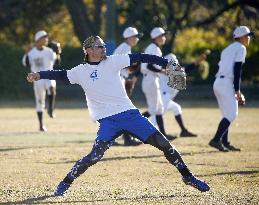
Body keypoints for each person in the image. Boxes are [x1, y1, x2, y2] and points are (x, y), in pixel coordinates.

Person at [26, 35, 210, 196]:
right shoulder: (80, 71)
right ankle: (65, 182)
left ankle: (188, 177)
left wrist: (165, 62)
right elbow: (59, 74)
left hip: (130, 115)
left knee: (165, 145)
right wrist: (39, 75)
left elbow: (140, 57)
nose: (104, 48)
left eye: (104, 45)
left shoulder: (113, 61)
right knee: (94, 157)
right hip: (108, 121)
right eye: (100, 46)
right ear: (89, 50)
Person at [209, 26, 254, 152]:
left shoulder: (226, 49)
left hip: (218, 82)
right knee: (231, 114)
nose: (249, 37)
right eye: (247, 35)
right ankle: (216, 140)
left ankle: (224, 142)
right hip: (227, 82)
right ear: (241, 37)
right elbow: (237, 69)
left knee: (226, 114)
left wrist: (236, 89)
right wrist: (237, 90)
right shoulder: (241, 48)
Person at [150, 53, 198, 137]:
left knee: (176, 108)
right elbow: (185, 70)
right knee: (155, 118)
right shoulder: (168, 69)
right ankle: (144, 133)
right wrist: (195, 63)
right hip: (163, 96)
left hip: (165, 97)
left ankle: (183, 131)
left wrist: (196, 63)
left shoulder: (169, 69)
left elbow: (183, 71)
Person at [141, 27, 176, 140]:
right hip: (150, 79)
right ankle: (129, 130)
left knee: (159, 108)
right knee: (153, 109)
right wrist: (163, 71)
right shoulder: (154, 48)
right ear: (156, 37)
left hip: (151, 79)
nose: (164, 37)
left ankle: (163, 135)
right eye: (162, 35)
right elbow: (149, 66)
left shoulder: (153, 48)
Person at [112, 27, 143, 146]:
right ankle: (126, 138)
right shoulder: (124, 48)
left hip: (119, 80)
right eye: (136, 37)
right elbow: (124, 65)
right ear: (129, 37)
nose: (137, 39)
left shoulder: (125, 47)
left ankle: (120, 138)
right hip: (118, 81)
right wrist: (137, 66)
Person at [22, 30, 57, 131]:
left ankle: (50, 109)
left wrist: (58, 52)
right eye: (44, 37)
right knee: (40, 102)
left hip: (48, 76)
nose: (46, 39)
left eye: (46, 37)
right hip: (37, 79)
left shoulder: (49, 51)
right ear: (38, 40)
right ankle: (41, 125)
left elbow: (57, 61)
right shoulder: (32, 52)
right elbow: (26, 64)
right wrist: (27, 54)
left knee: (51, 87)